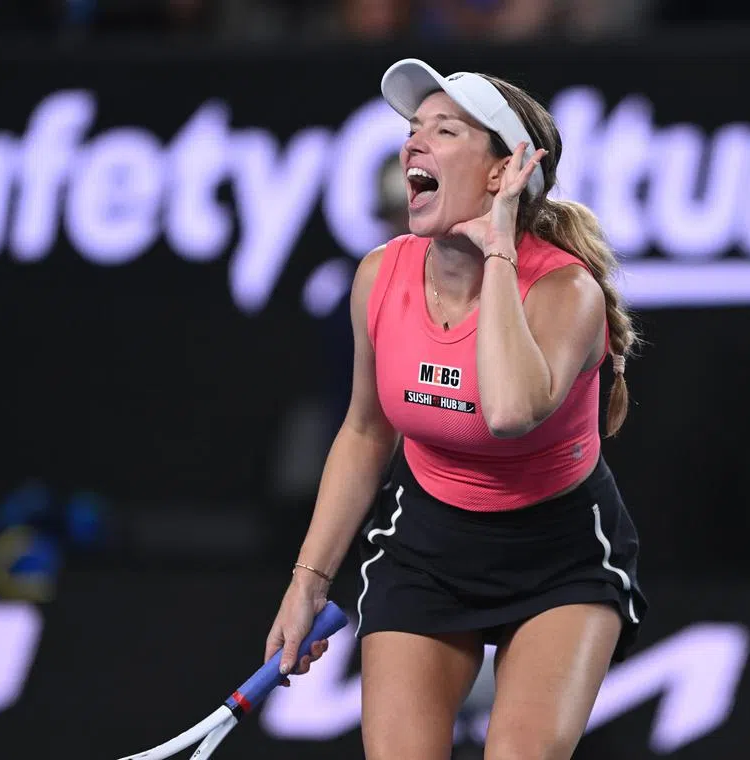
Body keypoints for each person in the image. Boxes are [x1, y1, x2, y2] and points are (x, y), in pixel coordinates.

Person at [264, 58, 648, 760]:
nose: (413, 145)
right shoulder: (379, 276)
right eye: (412, 130)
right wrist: (306, 583)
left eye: (445, 131)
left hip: (559, 558)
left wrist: (499, 252)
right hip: (427, 549)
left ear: (503, 173)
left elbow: (507, 412)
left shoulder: (568, 296)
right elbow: (363, 431)